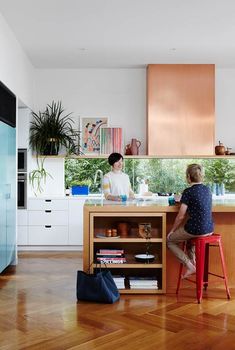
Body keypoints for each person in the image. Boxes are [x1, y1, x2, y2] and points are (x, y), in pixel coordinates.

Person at [167, 163, 214, 278]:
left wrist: (172, 231)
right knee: (190, 240)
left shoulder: (188, 192)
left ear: (188, 176)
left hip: (196, 229)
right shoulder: (207, 189)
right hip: (209, 229)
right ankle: (194, 263)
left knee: (169, 241)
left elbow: (181, 216)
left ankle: (190, 265)